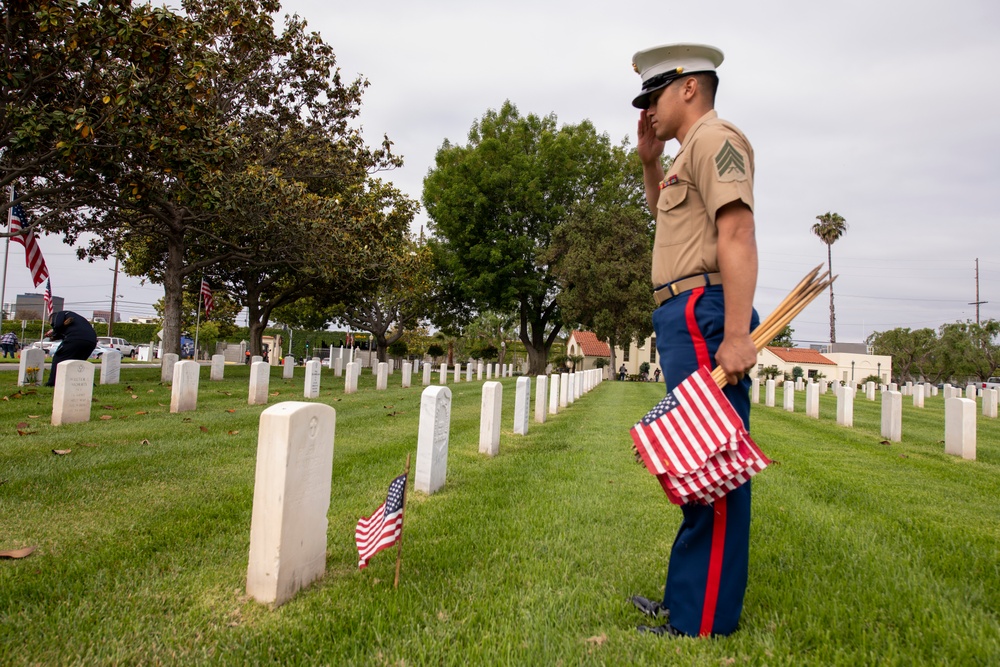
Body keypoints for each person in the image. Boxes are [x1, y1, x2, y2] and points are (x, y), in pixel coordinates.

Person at [628, 43, 760, 638]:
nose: (648, 109)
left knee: (715, 465)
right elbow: (670, 217)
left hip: (705, 314)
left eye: (653, 96)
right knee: (693, 461)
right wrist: (651, 163)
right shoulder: (685, 155)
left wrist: (736, 333)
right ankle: (687, 602)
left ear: (688, 88)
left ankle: (702, 622)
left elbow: (736, 230)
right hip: (682, 316)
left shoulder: (716, 139)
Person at [44, 311, 98, 386]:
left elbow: (58, 324)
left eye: (51, 323)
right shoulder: (77, 319)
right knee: (78, 362)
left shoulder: (59, 314)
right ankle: (88, 383)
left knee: (58, 358)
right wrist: (54, 335)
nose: (52, 324)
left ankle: (52, 383)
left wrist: (54, 330)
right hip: (91, 341)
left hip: (75, 339)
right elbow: (65, 332)